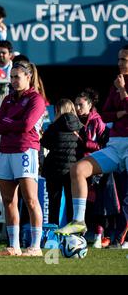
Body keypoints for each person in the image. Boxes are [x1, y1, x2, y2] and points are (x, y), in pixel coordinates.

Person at [55, 46, 128, 247]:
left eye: (125, 59)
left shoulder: (120, 86)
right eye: (120, 59)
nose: (121, 63)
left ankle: (119, 239)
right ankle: (79, 222)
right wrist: (121, 108)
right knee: (77, 169)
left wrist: (123, 92)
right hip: (115, 145)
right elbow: (106, 115)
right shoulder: (116, 84)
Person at [0, 60, 47, 256]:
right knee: (8, 200)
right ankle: (14, 246)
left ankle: (35, 246)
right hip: (5, 150)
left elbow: (26, 125)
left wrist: (10, 122)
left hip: (25, 150)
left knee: (31, 199)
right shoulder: (8, 99)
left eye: (18, 77)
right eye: (12, 77)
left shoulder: (36, 99)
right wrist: (13, 122)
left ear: (28, 77)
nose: (14, 80)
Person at [74, 89, 108, 248]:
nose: (78, 108)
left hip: (96, 167)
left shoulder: (97, 121)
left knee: (96, 203)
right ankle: (81, 235)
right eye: (76, 105)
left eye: (81, 105)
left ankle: (98, 237)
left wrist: (80, 139)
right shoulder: (77, 119)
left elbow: (102, 146)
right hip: (81, 166)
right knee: (82, 202)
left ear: (90, 104)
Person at [41, 99, 83, 225]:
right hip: (73, 169)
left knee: (54, 203)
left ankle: (53, 232)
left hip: (54, 168)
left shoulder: (54, 127)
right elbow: (83, 146)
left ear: (59, 110)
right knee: (72, 202)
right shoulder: (80, 126)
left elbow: (44, 142)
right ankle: (71, 232)